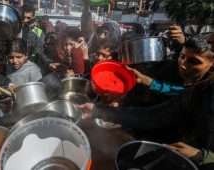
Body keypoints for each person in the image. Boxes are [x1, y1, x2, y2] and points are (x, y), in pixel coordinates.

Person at [78, 37, 214, 169]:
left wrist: (203, 156)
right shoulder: (198, 91)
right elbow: (152, 116)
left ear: (212, 63)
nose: (183, 65)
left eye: (194, 62)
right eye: (182, 57)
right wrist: (98, 111)